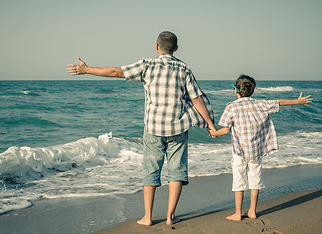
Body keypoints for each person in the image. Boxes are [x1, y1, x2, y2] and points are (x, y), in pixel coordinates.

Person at [67, 31, 216, 226]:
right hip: (178, 128)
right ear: (176, 49)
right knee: (177, 171)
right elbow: (196, 99)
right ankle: (171, 216)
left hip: (153, 128)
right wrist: (211, 125)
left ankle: (147, 217)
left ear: (156, 46)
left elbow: (116, 72)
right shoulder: (184, 68)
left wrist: (87, 70)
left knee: (151, 170)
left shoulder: (147, 65)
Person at [210, 74, 313, 221]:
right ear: (252, 91)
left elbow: (225, 130)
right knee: (255, 179)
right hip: (256, 150)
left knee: (239, 180)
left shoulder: (231, 107)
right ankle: (252, 211)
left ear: (235, 90)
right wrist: (298, 101)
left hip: (239, 151)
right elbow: (279, 102)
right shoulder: (261, 104)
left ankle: (238, 213)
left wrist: (214, 133)